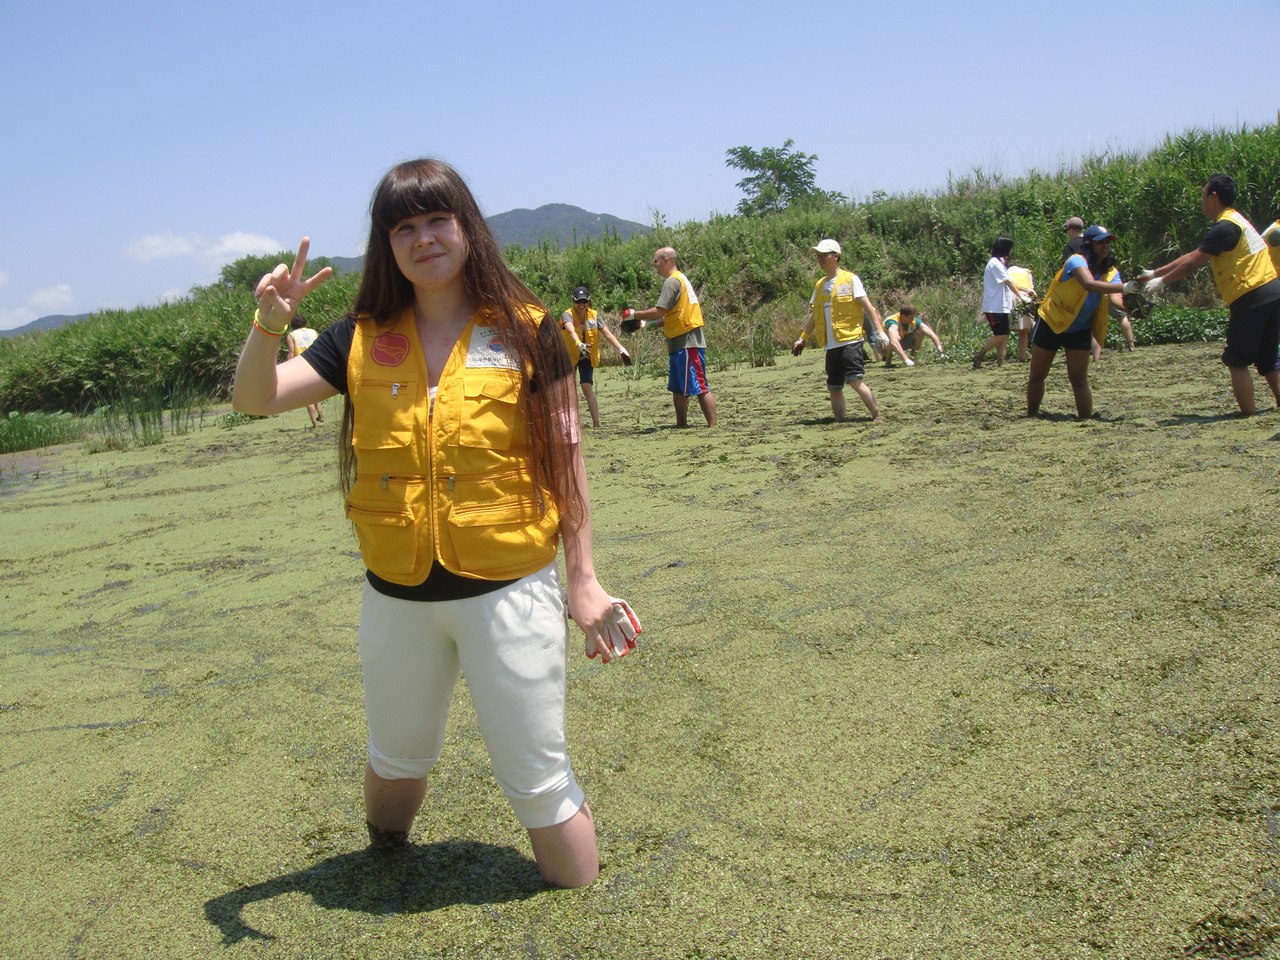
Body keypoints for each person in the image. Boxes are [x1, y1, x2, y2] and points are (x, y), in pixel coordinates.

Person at [231, 158, 642, 889]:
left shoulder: (530, 332)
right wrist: (269, 325)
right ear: (387, 245)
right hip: (396, 599)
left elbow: (567, 465)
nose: (423, 238)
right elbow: (256, 398)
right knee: (395, 759)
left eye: (436, 220)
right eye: (403, 227)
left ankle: (578, 898)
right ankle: (383, 860)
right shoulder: (354, 338)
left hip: (509, 594)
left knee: (541, 785)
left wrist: (583, 582)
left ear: (467, 229)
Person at [1140, 174, 1280, 415]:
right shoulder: (1235, 220)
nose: (1201, 201)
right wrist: (1154, 272)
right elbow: (1194, 254)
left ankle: (1247, 414)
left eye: (1203, 195)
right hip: (1272, 290)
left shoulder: (1224, 227)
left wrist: (1161, 282)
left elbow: (1192, 263)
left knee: (1236, 360)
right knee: (1268, 358)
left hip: (1251, 295)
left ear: (1213, 196)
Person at [1027, 225, 1132, 419]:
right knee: (1037, 376)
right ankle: (1031, 414)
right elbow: (1089, 284)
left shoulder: (1110, 272)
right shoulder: (1076, 261)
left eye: (1107, 242)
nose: (1105, 246)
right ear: (1089, 244)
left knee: (1079, 379)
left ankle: (1086, 419)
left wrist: (1133, 296)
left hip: (1079, 328)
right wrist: (1125, 287)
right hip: (1052, 321)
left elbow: (1117, 299)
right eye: (1100, 242)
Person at [790, 238, 888, 422]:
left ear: (836, 256)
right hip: (831, 344)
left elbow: (868, 307)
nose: (820, 259)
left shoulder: (850, 279)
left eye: (824, 255)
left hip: (850, 340)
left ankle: (877, 415)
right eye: (818, 256)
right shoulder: (820, 285)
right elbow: (814, 316)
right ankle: (840, 421)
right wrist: (802, 337)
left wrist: (879, 331)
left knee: (854, 380)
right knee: (834, 386)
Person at [619, 247, 717, 427]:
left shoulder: (673, 282)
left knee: (700, 385)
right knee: (678, 387)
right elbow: (672, 315)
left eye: (655, 261)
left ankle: (713, 427)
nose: (654, 265)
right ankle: (681, 424)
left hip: (688, 341)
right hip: (678, 342)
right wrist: (647, 325)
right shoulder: (680, 279)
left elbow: (659, 311)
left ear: (665, 260)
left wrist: (634, 314)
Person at [560, 284, 631, 428]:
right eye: (578, 301)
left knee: (586, 386)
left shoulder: (594, 315)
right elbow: (570, 330)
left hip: (587, 355)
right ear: (573, 301)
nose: (581, 304)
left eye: (584, 301)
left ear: (588, 301)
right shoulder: (567, 314)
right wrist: (578, 342)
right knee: (569, 389)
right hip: (569, 355)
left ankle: (596, 424)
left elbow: (607, 333)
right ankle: (570, 425)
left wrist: (621, 349)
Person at [974, 237, 1029, 369]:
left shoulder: (999, 263)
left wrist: (1025, 289)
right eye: (1010, 248)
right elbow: (1008, 283)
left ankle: (1000, 362)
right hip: (994, 307)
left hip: (1002, 306)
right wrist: (1021, 297)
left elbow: (1011, 281)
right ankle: (979, 354)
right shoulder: (995, 264)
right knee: (1001, 335)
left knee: (1004, 335)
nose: (1011, 251)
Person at [286, 314, 324, 426]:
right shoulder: (313, 332)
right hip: (316, 362)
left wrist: (288, 365)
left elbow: (292, 352)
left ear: (292, 325)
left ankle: (314, 423)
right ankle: (321, 414)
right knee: (316, 391)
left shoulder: (291, 335)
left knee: (306, 395)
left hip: (302, 364)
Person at [1007, 265, 1037, 362]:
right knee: (1024, 331)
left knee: (1004, 331)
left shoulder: (1009, 271)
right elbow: (1031, 289)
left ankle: (1002, 356)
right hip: (1023, 298)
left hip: (1009, 299)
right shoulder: (1027, 273)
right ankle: (1022, 357)